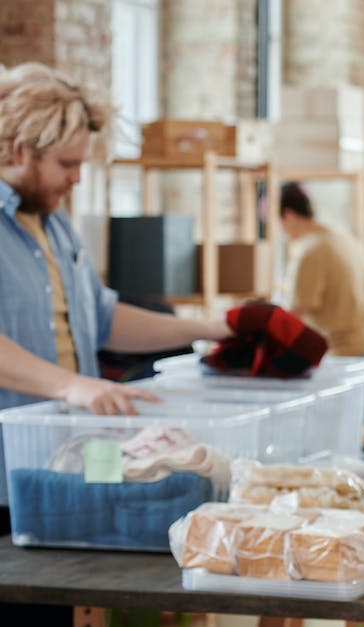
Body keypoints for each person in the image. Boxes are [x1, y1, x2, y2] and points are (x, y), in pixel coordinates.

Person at [0, 62, 232, 622]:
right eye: (67, 165)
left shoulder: (53, 224)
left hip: (59, 474)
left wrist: (206, 328)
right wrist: (73, 386)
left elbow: (101, 319)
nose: (77, 179)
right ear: (19, 150)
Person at [278, 181, 364, 424]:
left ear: (289, 215)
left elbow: (294, 313)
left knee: (359, 438)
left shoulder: (311, 251)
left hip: (357, 354)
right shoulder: (339, 236)